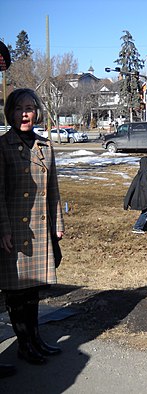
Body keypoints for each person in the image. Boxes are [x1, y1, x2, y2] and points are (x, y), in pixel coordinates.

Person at [0, 88, 64, 365]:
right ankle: (24, 344)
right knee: (16, 291)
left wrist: (57, 224)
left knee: (34, 289)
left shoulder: (45, 146)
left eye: (30, 108)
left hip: (39, 231)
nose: (25, 114)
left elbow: (53, 190)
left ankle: (35, 338)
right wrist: (2, 228)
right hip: (13, 231)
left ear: (37, 112)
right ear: (10, 112)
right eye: (19, 108)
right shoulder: (2, 147)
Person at [123, 157, 147, 234]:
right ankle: (137, 227)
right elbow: (146, 189)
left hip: (141, 197)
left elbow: (132, 187)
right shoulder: (146, 174)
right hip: (143, 198)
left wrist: (126, 201)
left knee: (146, 211)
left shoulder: (140, 173)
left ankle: (144, 226)